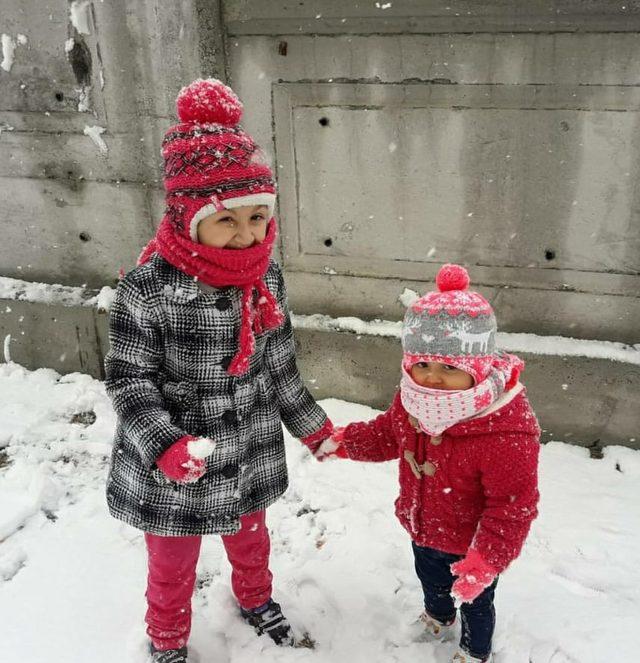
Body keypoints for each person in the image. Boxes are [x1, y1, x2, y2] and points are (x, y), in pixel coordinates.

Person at [104, 78, 333, 663]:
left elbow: (279, 361)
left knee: (251, 538)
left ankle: (255, 597)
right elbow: (128, 379)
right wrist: (164, 444)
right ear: (188, 218)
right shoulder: (147, 289)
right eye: (227, 220)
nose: (248, 233)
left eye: (258, 216)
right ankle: (167, 637)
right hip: (178, 461)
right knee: (172, 562)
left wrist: (311, 426)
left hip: (248, 447)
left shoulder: (265, 279)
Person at [318, 264, 540, 663]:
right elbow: (387, 434)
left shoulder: (506, 430)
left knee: (476, 603)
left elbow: (512, 507)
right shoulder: (413, 399)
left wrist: (485, 561)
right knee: (431, 579)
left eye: (449, 368)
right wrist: (345, 442)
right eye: (422, 365)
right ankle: (438, 613)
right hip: (424, 524)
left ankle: (474, 650)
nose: (432, 378)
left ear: (478, 367)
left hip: (471, 544)